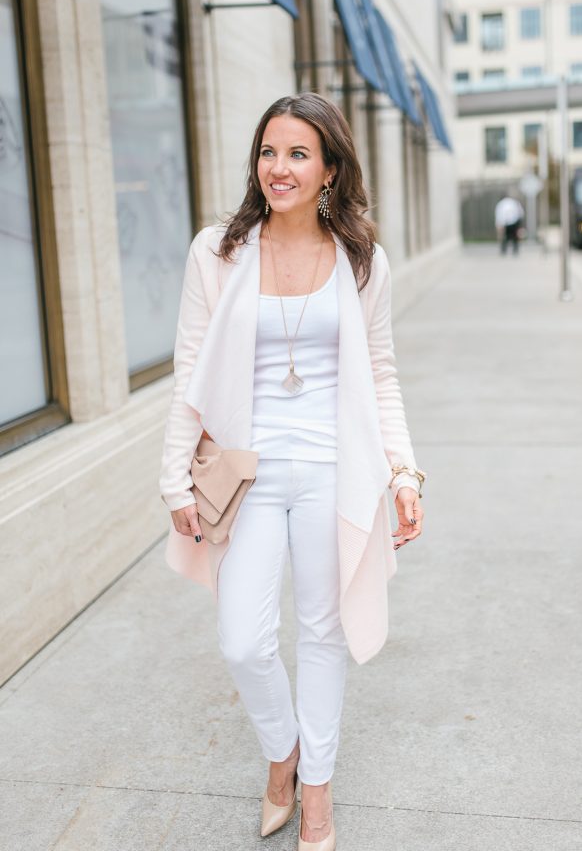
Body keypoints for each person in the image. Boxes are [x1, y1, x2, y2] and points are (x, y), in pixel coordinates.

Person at [159, 93, 426, 850]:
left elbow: (380, 374)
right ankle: (284, 751)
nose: (279, 167)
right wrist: (173, 478)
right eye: (268, 152)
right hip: (242, 474)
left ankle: (316, 795)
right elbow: (188, 371)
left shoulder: (362, 259)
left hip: (333, 470)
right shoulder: (218, 251)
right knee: (242, 641)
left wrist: (403, 471)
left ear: (331, 169)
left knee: (321, 632)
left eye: (298, 154)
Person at [495, 191, 524, 255]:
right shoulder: (514, 202)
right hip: (515, 221)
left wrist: (499, 225)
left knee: (505, 237)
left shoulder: (501, 204)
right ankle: (515, 250)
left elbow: (500, 215)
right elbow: (520, 212)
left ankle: (503, 250)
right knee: (514, 237)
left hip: (505, 222)